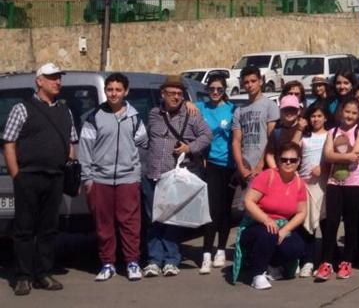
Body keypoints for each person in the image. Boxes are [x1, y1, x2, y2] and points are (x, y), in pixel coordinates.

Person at [3, 63, 77, 295]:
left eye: (59, 78)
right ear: (39, 81)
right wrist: (17, 176)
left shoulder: (65, 110)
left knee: (48, 229)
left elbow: (71, 143)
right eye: (52, 78)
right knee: (24, 229)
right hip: (28, 177)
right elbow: (9, 143)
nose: (58, 82)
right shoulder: (21, 108)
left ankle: (43, 273)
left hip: (54, 178)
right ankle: (23, 276)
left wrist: (69, 165)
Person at [78, 72, 147, 283]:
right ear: (105, 91)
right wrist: (87, 178)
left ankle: (132, 262)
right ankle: (107, 264)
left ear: (126, 91)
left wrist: (136, 175)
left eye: (118, 90)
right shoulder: (93, 117)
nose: (113, 93)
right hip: (101, 179)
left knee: (130, 223)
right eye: (110, 90)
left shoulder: (135, 118)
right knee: (104, 224)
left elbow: (142, 146)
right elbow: (85, 150)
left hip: (128, 179)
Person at [143, 75, 212, 278]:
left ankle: (172, 259)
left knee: (172, 219)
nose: (175, 97)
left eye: (179, 94)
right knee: (154, 219)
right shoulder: (154, 114)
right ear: (162, 94)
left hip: (175, 177)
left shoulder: (192, 114)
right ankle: (154, 260)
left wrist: (189, 148)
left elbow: (207, 136)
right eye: (171, 93)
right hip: (153, 174)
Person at [233, 141, 308, 290]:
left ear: (299, 162)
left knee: (297, 247)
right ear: (278, 160)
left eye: (293, 160)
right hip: (256, 225)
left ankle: (272, 265)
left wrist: (286, 229)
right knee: (269, 233)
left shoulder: (299, 183)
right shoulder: (268, 176)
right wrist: (266, 219)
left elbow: (302, 212)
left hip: (281, 226)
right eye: (284, 159)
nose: (288, 163)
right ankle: (257, 274)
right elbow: (249, 201)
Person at [315, 99, 359, 281]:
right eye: (347, 111)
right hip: (334, 182)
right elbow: (328, 155)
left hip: (355, 183)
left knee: (351, 223)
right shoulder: (332, 132)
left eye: (354, 113)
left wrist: (337, 156)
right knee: (331, 223)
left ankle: (347, 261)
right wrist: (344, 156)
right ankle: (326, 262)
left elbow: (357, 155)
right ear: (341, 112)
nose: (350, 116)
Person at [195, 74, 236, 275]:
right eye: (212, 89)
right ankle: (206, 254)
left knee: (226, 210)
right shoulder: (201, 108)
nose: (215, 93)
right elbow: (185, 106)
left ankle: (221, 249)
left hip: (230, 165)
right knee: (211, 210)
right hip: (211, 164)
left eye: (219, 89)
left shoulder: (232, 109)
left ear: (225, 90)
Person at [232, 66, 279, 187]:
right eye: (246, 82)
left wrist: (260, 164)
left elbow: (271, 138)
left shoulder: (270, 106)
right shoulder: (239, 110)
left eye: (253, 81)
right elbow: (236, 142)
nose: (250, 85)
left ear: (261, 81)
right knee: (241, 205)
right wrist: (241, 168)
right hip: (245, 167)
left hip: (264, 166)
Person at [297, 103, 329, 277]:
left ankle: (326, 261)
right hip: (304, 184)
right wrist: (298, 130)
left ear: (325, 118)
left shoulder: (330, 135)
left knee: (325, 223)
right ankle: (308, 261)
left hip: (323, 184)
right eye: (313, 116)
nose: (316, 119)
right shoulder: (304, 136)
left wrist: (323, 167)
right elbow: (292, 151)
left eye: (319, 116)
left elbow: (332, 156)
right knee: (307, 226)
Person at [264, 94, 305, 168]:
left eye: (292, 109)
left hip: (302, 174)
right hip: (281, 173)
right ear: (281, 111)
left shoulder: (305, 128)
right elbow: (270, 155)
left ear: (298, 111)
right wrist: (277, 172)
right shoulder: (276, 132)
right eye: (286, 110)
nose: (289, 112)